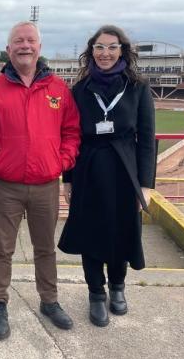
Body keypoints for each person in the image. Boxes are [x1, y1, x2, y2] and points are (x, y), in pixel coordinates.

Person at [0, 21, 81, 340]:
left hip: (46, 185)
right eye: (18, 41)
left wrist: (59, 163)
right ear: (8, 49)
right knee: (2, 248)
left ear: (39, 48)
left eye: (30, 40)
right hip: (5, 185)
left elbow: (72, 133)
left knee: (45, 248)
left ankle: (49, 301)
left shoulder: (59, 90)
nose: (25, 45)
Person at [58, 25, 156, 327]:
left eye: (112, 47)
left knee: (121, 231)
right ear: (92, 51)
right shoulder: (80, 89)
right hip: (88, 169)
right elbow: (71, 135)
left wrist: (146, 185)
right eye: (100, 47)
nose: (106, 53)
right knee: (91, 234)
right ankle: (96, 293)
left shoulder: (138, 87)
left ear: (122, 50)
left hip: (125, 171)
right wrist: (68, 178)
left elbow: (147, 137)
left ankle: (117, 287)